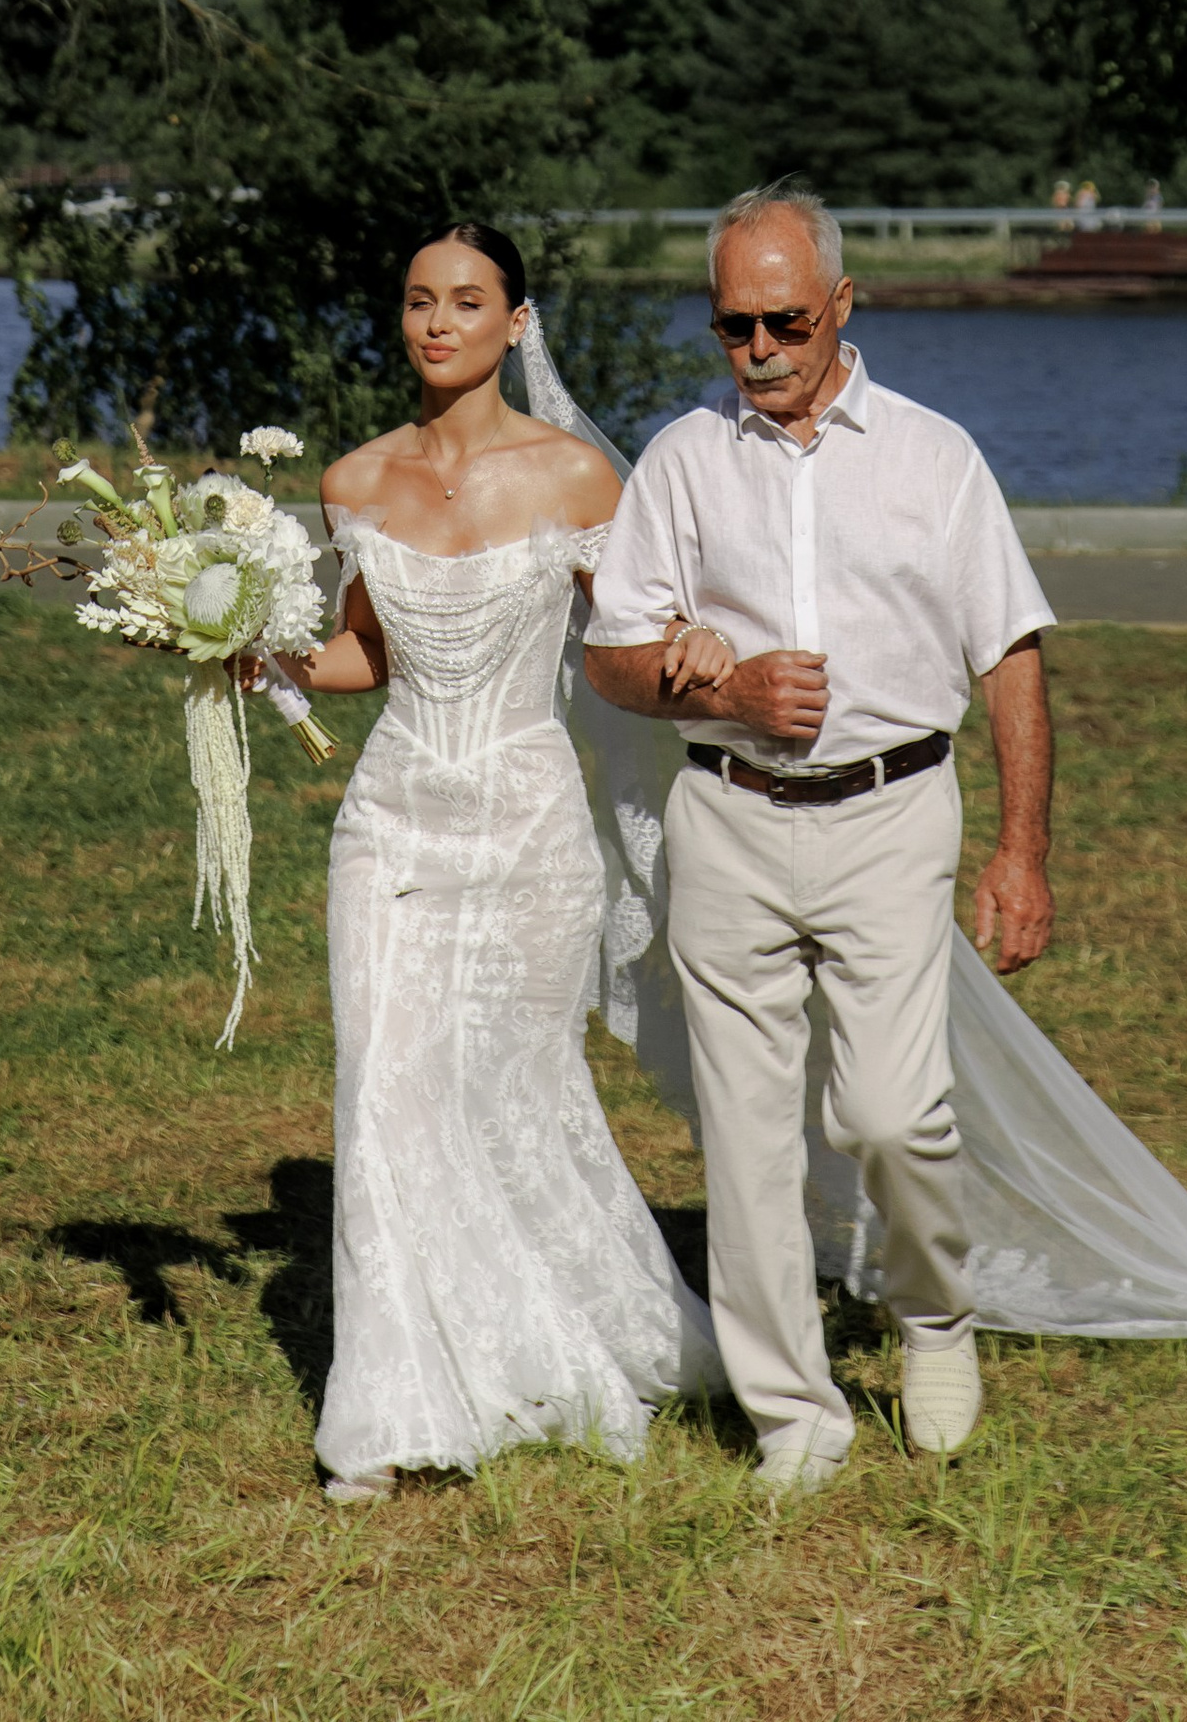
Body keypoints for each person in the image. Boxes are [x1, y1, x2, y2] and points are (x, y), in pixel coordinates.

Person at [584, 177, 1055, 1492]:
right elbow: (614, 654)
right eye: (732, 326)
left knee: (894, 1116)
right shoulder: (682, 459)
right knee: (743, 1138)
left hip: (895, 810)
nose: (760, 352)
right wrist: (717, 690)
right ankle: (795, 1419)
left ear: (842, 305)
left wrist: (1022, 850)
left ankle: (935, 1315)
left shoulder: (935, 456)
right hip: (728, 821)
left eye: (784, 322)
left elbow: (1010, 654)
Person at [272, 225, 722, 1504]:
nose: (437, 322)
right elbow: (368, 656)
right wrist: (248, 644)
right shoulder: (354, 481)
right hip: (392, 822)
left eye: (467, 300)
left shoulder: (580, 479)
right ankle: (388, 1406)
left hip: (527, 829)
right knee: (380, 1089)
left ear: (516, 321)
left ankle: (557, 1336)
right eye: (417, 299)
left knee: (512, 1097)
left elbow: (631, 645)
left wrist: (701, 649)